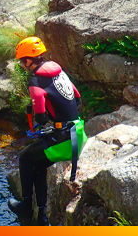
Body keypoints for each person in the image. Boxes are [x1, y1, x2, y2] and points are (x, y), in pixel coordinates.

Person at [8, 36, 87, 226]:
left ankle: (27, 208)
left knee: (25, 158)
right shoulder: (57, 70)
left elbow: (41, 117)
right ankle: (41, 217)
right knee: (38, 162)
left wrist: (47, 120)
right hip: (78, 132)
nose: (21, 65)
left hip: (65, 140)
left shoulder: (35, 79)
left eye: (21, 61)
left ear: (28, 60)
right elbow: (77, 99)